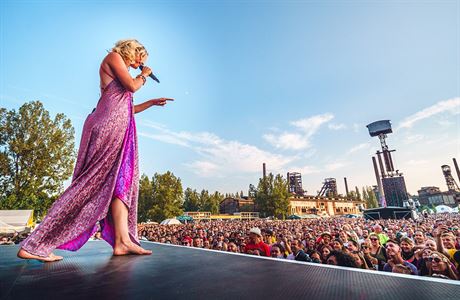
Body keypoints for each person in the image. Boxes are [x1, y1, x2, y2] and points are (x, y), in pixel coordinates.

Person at [17, 39, 173, 262]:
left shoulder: (124, 74)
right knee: (88, 184)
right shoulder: (114, 58)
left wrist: (150, 103)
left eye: (143, 63)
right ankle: (34, 244)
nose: (140, 63)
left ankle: (122, 241)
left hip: (119, 129)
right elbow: (131, 86)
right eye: (140, 58)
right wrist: (145, 75)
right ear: (132, 51)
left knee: (122, 184)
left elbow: (125, 109)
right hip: (107, 130)